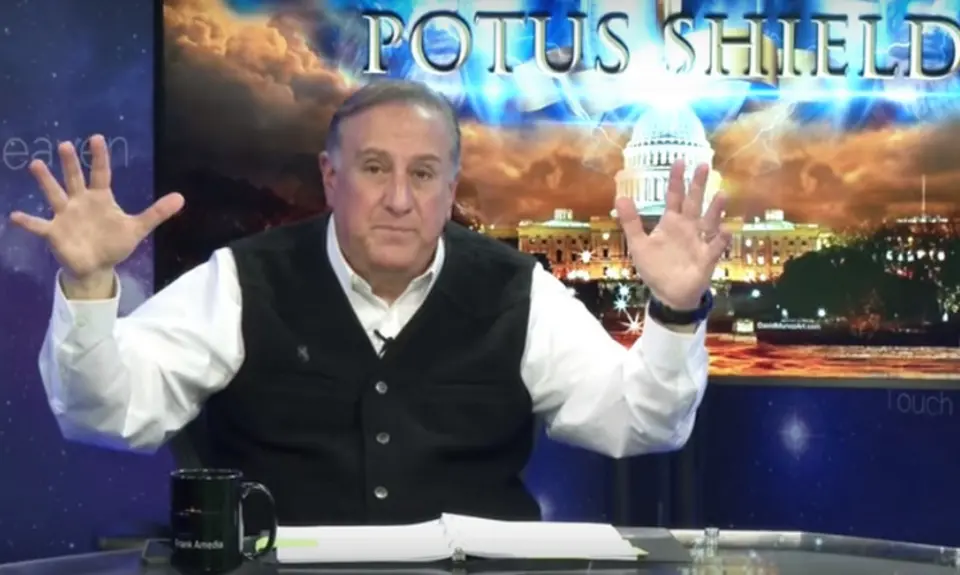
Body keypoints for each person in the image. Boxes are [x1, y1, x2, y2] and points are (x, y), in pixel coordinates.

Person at [10, 80, 731, 526]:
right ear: (331, 177)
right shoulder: (241, 279)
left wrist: (674, 311)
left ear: (450, 189)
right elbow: (106, 413)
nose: (398, 199)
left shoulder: (518, 290)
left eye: (423, 174)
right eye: (374, 168)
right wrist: (89, 286)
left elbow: (642, 422)